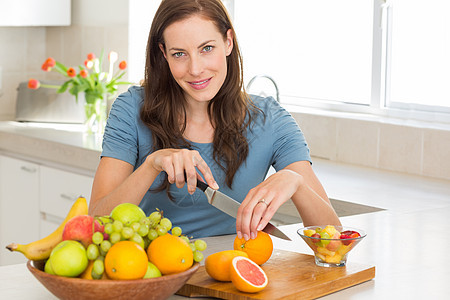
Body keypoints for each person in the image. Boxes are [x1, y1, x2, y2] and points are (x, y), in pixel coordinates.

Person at [89, 0, 341, 240]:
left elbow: (333, 240)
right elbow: (96, 223)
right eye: (179, 54)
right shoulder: (131, 108)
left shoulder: (271, 120)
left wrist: (296, 182)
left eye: (206, 48)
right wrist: (152, 164)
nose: (195, 69)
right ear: (163, 54)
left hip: (229, 274)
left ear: (228, 42)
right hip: (151, 274)